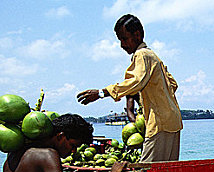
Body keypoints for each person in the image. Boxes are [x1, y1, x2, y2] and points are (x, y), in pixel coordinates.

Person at [77, 14, 183, 162]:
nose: (122, 45)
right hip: (172, 120)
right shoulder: (153, 56)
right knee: (167, 171)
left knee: (147, 171)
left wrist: (102, 93)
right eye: (120, 40)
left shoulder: (141, 54)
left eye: (124, 39)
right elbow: (173, 84)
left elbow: (136, 81)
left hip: (160, 123)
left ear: (137, 35)